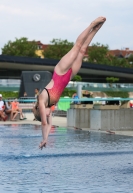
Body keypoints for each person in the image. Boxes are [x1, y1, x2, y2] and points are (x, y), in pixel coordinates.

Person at [33, 16, 106, 149]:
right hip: (69, 76)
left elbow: (44, 123)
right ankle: (96, 29)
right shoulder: (51, 105)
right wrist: (45, 140)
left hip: (60, 71)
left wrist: (43, 138)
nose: (49, 117)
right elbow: (49, 125)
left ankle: (91, 24)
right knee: (83, 51)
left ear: (40, 112)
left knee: (77, 46)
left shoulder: (42, 101)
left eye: (46, 115)